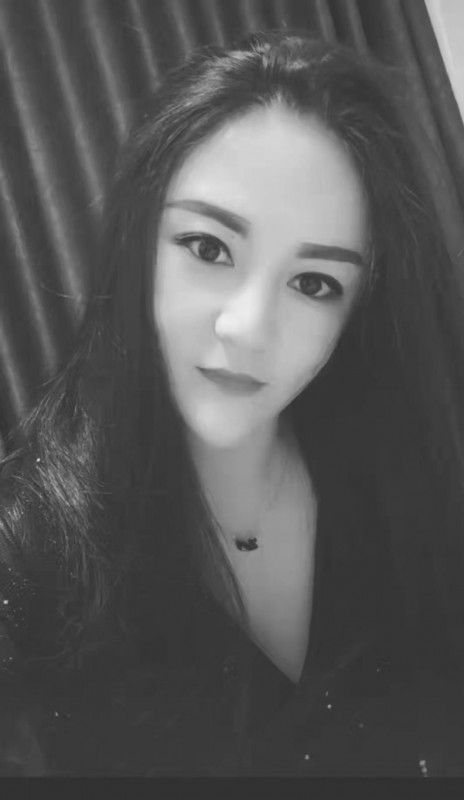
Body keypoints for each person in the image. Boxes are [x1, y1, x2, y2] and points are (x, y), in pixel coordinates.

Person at [0, 29, 464, 777]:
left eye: (314, 284)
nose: (248, 328)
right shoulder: (30, 557)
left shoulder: (407, 490)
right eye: (209, 248)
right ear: (139, 239)